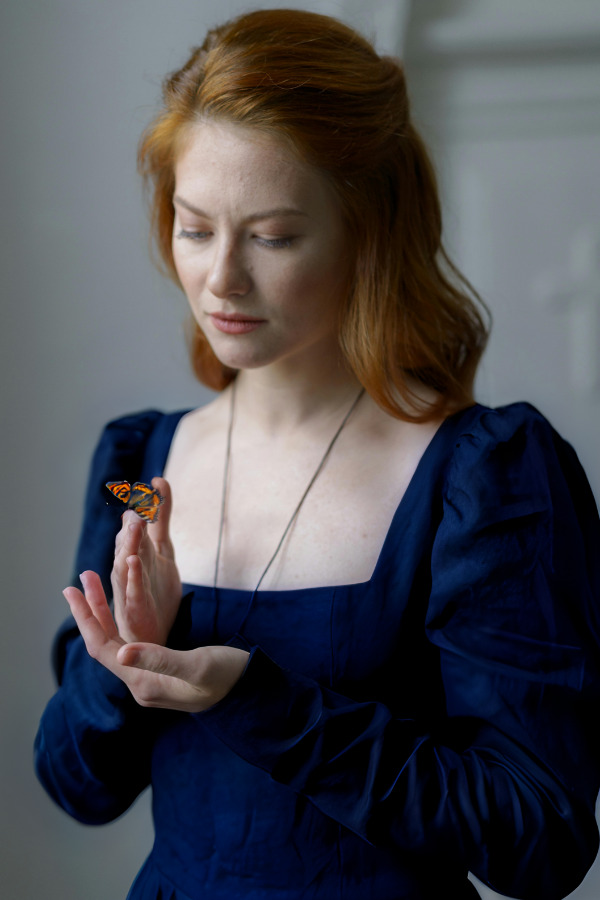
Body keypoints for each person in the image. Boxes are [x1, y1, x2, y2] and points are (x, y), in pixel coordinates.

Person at [34, 8, 600, 900]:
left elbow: (540, 837)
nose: (221, 279)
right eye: (193, 227)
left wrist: (260, 702)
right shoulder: (139, 462)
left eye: (273, 237)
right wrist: (123, 669)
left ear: (369, 233)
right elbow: (77, 787)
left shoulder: (485, 476)